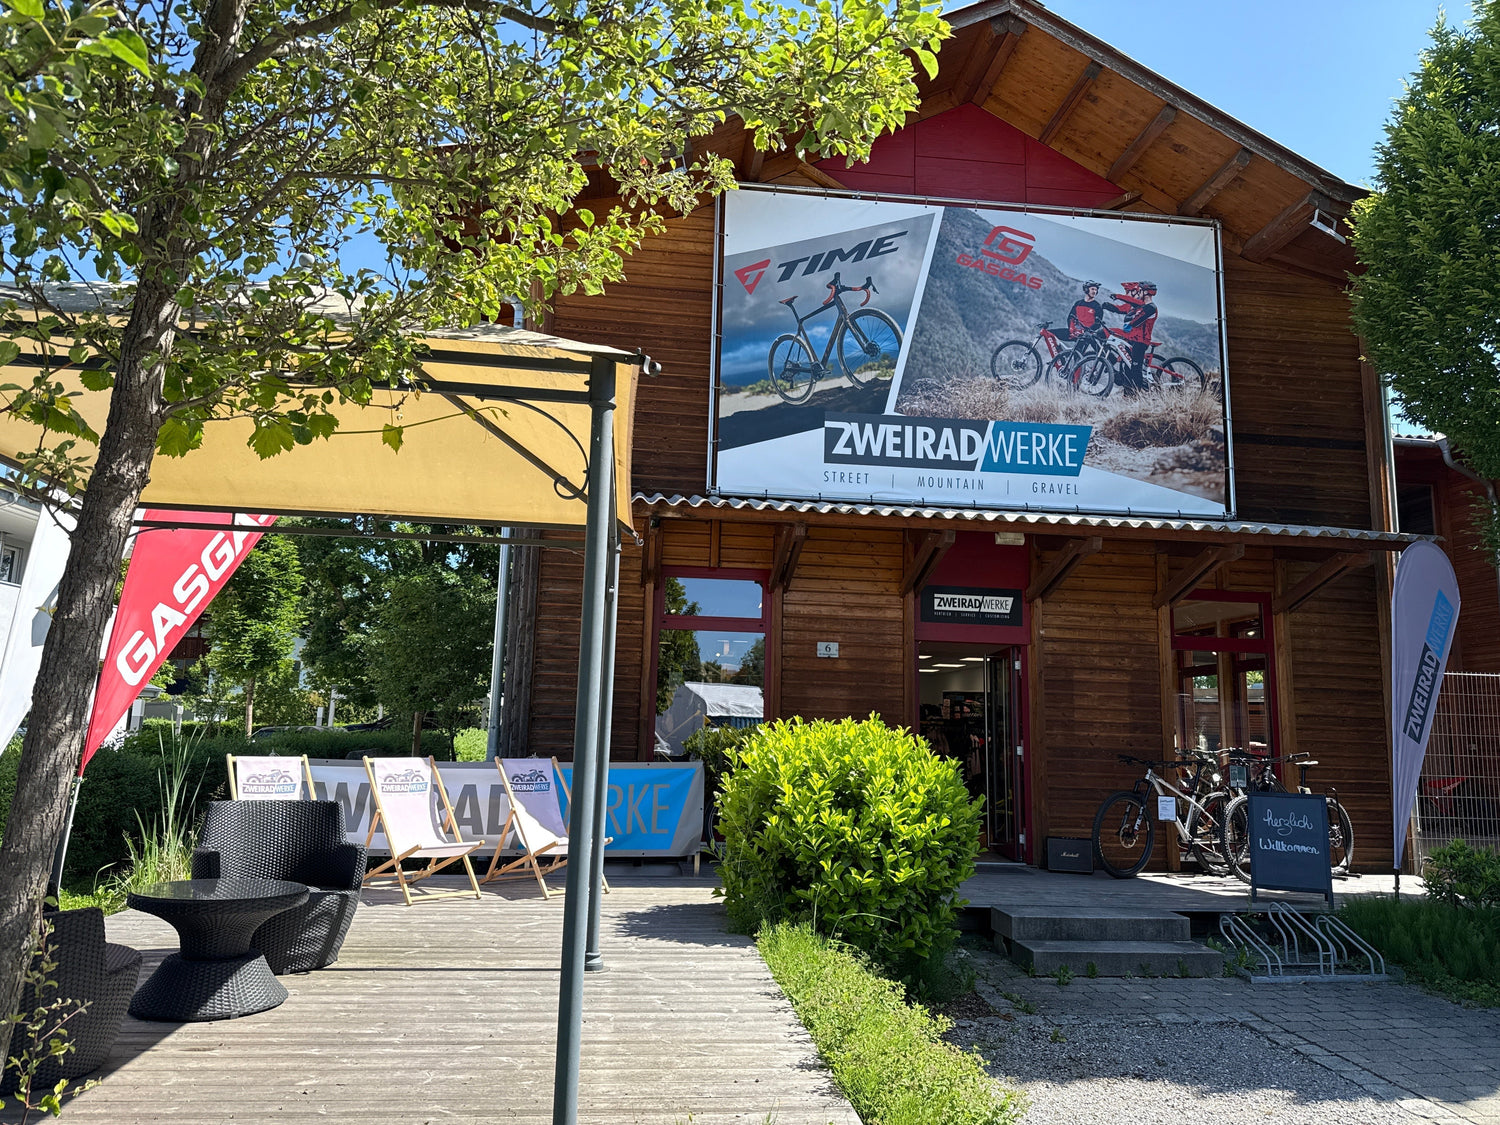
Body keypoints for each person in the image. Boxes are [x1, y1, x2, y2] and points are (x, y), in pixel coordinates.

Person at [1109, 280, 1159, 393]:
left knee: (1136, 369)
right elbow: (1130, 304)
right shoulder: (1142, 306)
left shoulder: (1150, 307)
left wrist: (1129, 321)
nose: (1138, 293)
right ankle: (1128, 395)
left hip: (1141, 342)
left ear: (1145, 292)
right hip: (1133, 340)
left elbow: (1135, 322)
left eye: (1140, 291)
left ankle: (1137, 395)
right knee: (1127, 368)